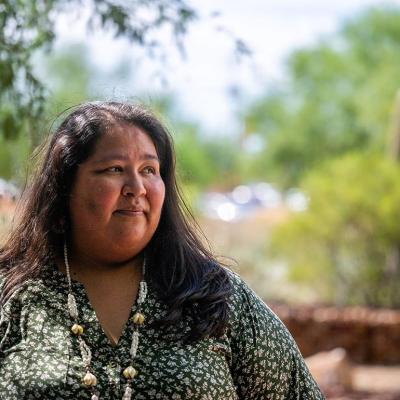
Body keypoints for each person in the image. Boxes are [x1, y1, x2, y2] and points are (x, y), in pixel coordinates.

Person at [0, 101, 324, 399]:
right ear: (64, 187)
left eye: (149, 170)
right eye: (114, 169)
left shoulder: (216, 297)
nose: (137, 188)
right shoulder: (12, 296)